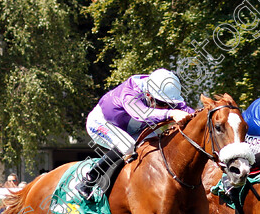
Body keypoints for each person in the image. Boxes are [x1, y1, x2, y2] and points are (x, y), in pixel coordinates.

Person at [77, 68, 194, 199]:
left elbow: (191, 113)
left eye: (170, 104)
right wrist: (172, 113)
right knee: (127, 146)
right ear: (149, 95)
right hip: (102, 123)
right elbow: (142, 114)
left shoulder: (162, 93)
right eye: (162, 103)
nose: (166, 107)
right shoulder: (130, 92)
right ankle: (89, 179)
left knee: (158, 144)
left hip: (132, 128)